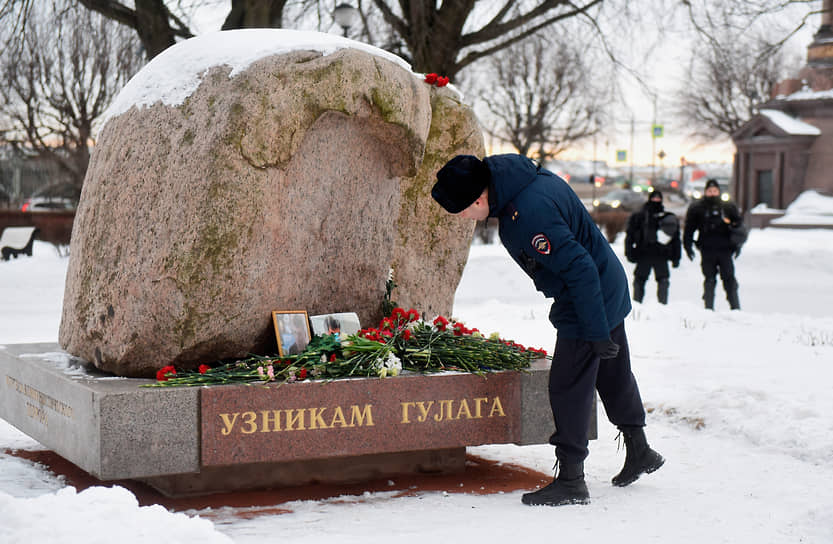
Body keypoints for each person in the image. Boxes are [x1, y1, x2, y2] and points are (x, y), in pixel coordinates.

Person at [431, 154, 664, 507]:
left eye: (462, 211)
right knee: (612, 370)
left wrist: (595, 330)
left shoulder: (527, 214)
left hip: (587, 296)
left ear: (478, 198)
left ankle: (571, 480)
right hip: (605, 284)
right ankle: (640, 449)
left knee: (568, 385)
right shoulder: (518, 181)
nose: (465, 218)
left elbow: (580, 269)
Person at [683, 179, 743, 310]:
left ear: (719, 192)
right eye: (710, 191)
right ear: (705, 192)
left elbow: (739, 227)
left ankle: (735, 308)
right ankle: (709, 308)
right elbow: (689, 229)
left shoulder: (728, 207)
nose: (712, 193)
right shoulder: (698, 208)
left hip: (725, 249)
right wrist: (688, 246)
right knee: (709, 279)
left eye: (715, 191)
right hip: (707, 249)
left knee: (729, 279)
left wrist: (738, 245)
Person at [624, 190, 681, 304]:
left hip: (661, 254)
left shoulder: (666, 217)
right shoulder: (639, 217)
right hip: (644, 253)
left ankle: (662, 306)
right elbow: (630, 235)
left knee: (663, 280)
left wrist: (676, 257)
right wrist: (629, 252)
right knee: (639, 280)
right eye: (654, 198)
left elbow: (675, 239)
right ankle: (637, 305)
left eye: (658, 198)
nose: (656, 200)